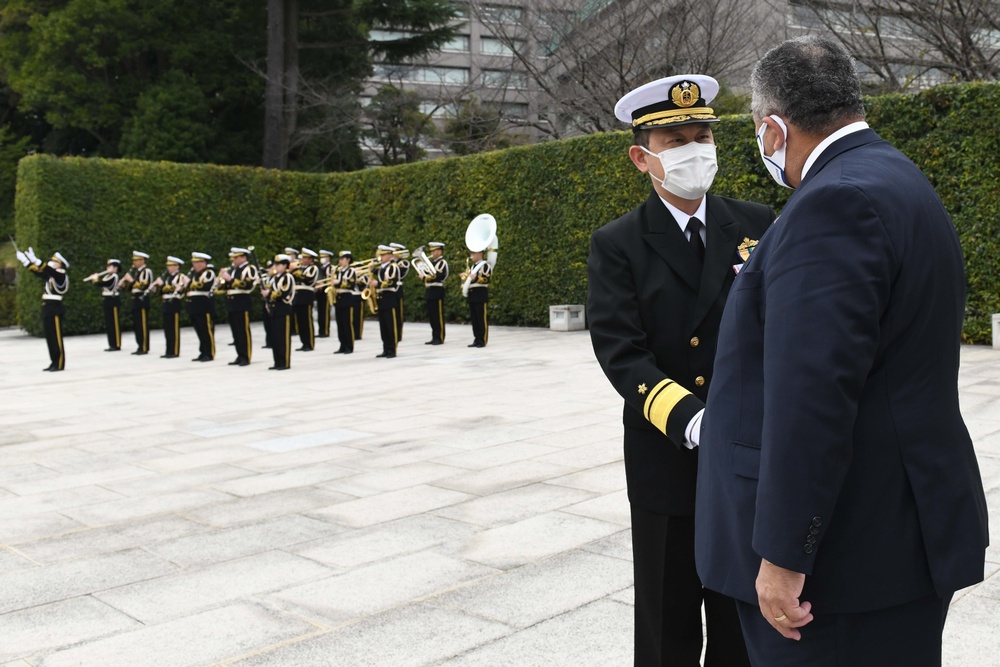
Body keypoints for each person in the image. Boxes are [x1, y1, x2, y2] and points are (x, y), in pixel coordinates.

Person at [694, 37, 989, 667]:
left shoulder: (832, 203)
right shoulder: (895, 176)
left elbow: (813, 397)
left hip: (843, 563)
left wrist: (781, 555)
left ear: (773, 127)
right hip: (892, 530)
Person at [587, 74, 774, 667]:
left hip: (747, 451)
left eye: (703, 137)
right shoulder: (618, 243)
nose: (696, 151)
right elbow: (621, 350)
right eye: (677, 142)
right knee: (667, 620)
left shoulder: (756, 222)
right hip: (668, 452)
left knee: (739, 617)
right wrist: (692, 419)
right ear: (643, 158)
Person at [17, 247, 70, 371]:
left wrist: (37, 260)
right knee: (50, 336)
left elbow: (48, 270)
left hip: (55, 307)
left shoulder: (60, 275)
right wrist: (25, 261)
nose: (51, 262)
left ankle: (59, 362)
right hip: (48, 306)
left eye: (54, 261)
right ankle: (53, 362)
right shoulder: (52, 274)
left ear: (60, 264)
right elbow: (37, 271)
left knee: (56, 337)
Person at [218, 247, 257, 366]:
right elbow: (224, 286)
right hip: (232, 302)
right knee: (236, 331)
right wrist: (221, 281)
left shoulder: (249, 268)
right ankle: (240, 355)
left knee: (243, 330)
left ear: (243, 257)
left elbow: (247, 284)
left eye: (236, 257)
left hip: (242, 301)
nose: (234, 260)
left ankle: (246, 356)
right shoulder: (233, 269)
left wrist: (229, 279)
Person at [261, 253, 294, 370]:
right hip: (274, 310)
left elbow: (283, 293)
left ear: (285, 265)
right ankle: (277, 361)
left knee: (283, 338)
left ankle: (284, 362)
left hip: (283, 309)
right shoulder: (274, 278)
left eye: (279, 264)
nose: (276, 266)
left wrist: (269, 294)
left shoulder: (287, 277)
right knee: (275, 337)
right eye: (276, 264)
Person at [118, 251, 153, 355]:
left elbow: (144, 286)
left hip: (142, 300)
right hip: (135, 299)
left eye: (136, 260)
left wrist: (131, 280)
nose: (134, 262)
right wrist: (124, 285)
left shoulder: (146, 271)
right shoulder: (137, 272)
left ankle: (144, 347)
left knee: (142, 324)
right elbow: (132, 288)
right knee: (137, 325)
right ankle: (139, 345)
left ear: (142, 260)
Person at [84, 258, 123, 352]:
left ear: (116, 268)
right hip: (107, 300)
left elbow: (106, 284)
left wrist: (95, 280)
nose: (108, 268)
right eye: (108, 266)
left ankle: (116, 344)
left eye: (111, 266)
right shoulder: (107, 276)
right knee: (109, 323)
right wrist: (95, 279)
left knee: (114, 323)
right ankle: (111, 344)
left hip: (113, 300)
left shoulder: (115, 276)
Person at [154, 256, 188, 359]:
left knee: (174, 329)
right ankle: (169, 350)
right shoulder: (168, 277)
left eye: (171, 265)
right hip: (166, 303)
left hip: (174, 303)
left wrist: (163, 284)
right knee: (167, 328)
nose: (168, 268)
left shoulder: (181, 276)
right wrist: (156, 287)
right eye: (168, 265)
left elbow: (178, 289)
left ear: (177, 266)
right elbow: (161, 292)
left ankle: (175, 351)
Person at [186, 252, 216, 362]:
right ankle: (202, 351)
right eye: (194, 262)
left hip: (204, 305)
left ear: (203, 263)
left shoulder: (208, 273)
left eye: (197, 262)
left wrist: (188, 283)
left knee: (206, 330)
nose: (194, 265)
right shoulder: (194, 274)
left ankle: (209, 353)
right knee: (199, 330)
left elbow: (205, 286)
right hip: (194, 305)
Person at [372, 244, 400, 358]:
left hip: (390, 297)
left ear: (390, 255)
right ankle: (385, 348)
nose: (381, 257)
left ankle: (392, 350)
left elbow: (391, 282)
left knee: (390, 325)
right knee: (383, 326)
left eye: (383, 255)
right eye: (380, 255)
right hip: (381, 298)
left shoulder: (393, 267)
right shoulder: (382, 268)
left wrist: (377, 284)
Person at [462, 249, 491, 348]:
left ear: (480, 254)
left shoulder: (485, 265)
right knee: (474, 319)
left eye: (473, 253)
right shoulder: (472, 267)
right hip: (472, 294)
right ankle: (476, 338)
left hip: (480, 293)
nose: (471, 255)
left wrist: (476, 278)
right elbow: (469, 279)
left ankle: (482, 340)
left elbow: (486, 278)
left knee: (481, 318)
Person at [292, 247, 318, 351]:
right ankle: (303, 342)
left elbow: (309, 280)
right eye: (302, 258)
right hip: (297, 296)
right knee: (300, 322)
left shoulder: (313, 268)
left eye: (305, 258)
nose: (302, 260)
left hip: (306, 295)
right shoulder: (298, 268)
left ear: (310, 259)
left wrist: (298, 274)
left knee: (307, 321)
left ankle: (309, 343)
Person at [332, 250, 359, 354]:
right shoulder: (338, 271)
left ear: (348, 260)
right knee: (340, 324)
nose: (340, 261)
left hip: (347, 297)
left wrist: (338, 282)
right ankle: (342, 345)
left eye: (342, 259)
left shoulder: (351, 271)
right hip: (338, 297)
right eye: (339, 259)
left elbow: (350, 285)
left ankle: (349, 346)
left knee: (347, 324)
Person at [423, 241, 448, 345]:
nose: (432, 253)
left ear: (439, 251)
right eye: (431, 251)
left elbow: (438, 276)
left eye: (434, 251)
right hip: (430, 290)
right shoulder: (431, 263)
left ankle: (440, 337)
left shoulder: (442, 263)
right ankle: (434, 337)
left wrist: (424, 277)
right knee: (432, 315)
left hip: (437, 290)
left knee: (438, 315)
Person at [390, 242, 409, 341]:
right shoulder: (391, 264)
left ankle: (399, 334)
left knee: (398, 314)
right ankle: (393, 334)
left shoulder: (403, 263)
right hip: (389, 291)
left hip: (398, 290)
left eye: (394, 251)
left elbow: (399, 274)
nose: (392, 253)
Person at [316, 249, 334, 338]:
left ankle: (325, 331)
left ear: (328, 258)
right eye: (321, 257)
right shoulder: (320, 267)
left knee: (325, 312)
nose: (322, 259)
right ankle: (321, 330)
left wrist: (323, 283)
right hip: (320, 292)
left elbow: (332, 279)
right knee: (320, 312)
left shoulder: (330, 267)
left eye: (324, 257)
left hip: (326, 291)